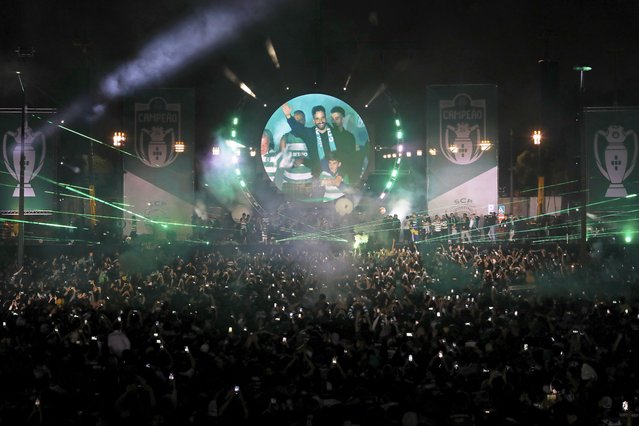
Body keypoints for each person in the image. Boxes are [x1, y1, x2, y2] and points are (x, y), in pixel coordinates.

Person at [282, 103, 336, 176]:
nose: (321, 121)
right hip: (318, 176)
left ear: (326, 118)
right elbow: (297, 128)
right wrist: (288, 115)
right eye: (317, 118)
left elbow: (344, 154)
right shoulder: (310, 133)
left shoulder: (335, 133)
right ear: (314, 121)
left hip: (337, 175)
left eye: (322, 117)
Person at [330, 106, 359, 184]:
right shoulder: (328, 135)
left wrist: (341, 175)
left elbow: (351, 158)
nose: (333, 121)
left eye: (337, 118)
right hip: (330, 173)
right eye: (332, 119)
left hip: (345, 174)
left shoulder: (349, 137)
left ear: (343, 118)